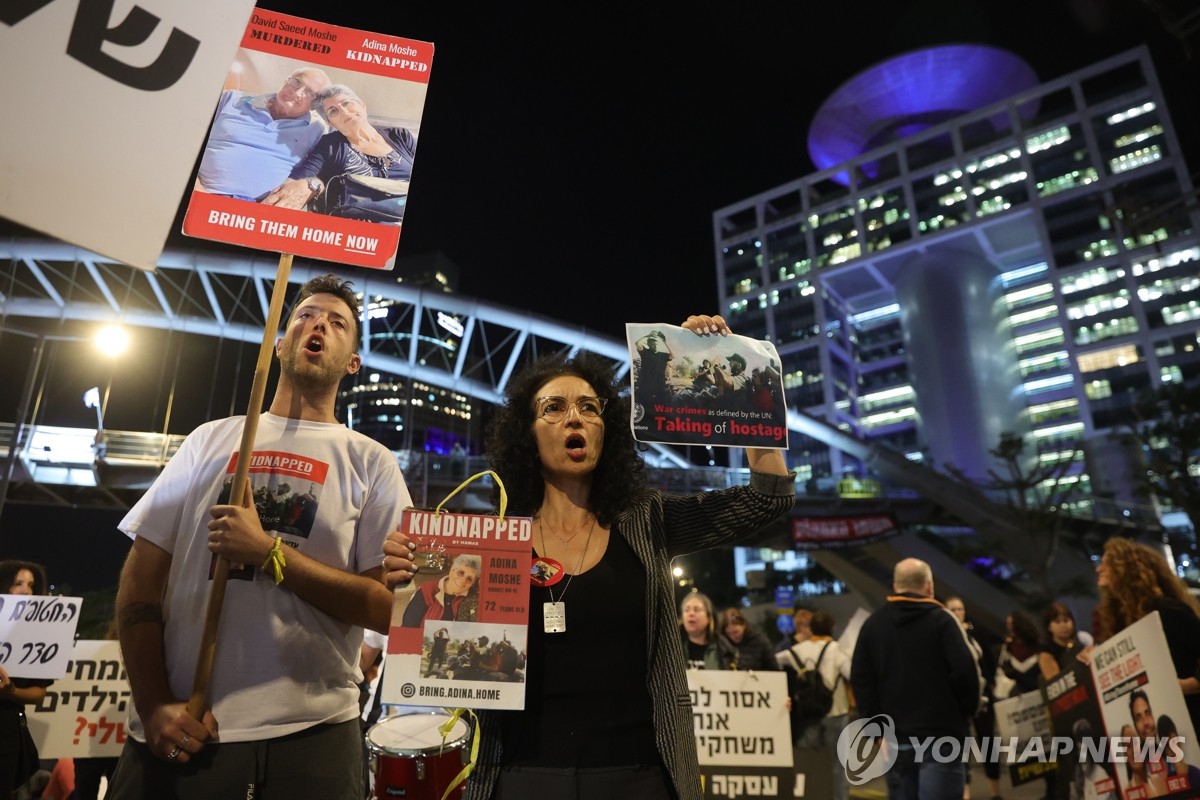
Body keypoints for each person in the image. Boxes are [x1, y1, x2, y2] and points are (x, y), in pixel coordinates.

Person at [381, 312, 794, 799]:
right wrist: (410, 577)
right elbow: (434, 648)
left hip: (639, 777)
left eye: (589, 408)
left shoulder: (647, 519)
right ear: (527, 435)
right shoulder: (487, 542)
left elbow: (767, 498)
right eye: (553, 408)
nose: (573, 417)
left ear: (608, 430)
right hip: (519, 778)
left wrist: (736, 373)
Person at [106, 274, 412, 800]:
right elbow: (140, 582)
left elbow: (391, 612)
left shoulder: (371, 461)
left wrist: (269, 552)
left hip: (313, 736)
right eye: (305, 315)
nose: (318, 324)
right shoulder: (209, 441)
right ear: (280, 339)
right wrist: (154, 703)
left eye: (337, 323)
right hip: (188, 728)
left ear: (353, 363)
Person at [851, 558, 983, 800]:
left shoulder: (873, 625)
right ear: (929, 587)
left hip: (896, 741)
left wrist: (876, 730)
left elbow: (861, 679)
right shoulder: (943, 621)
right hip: (942, 737)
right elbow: (966, 671)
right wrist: (966, 712)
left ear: (895, 585)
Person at [261, 84, 417, 224]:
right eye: (333, 111)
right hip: (363, 230)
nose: (344, 111)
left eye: (347, 103)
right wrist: (305, 185)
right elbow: (303, 176)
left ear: (362, 105)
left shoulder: (399, 135)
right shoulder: (331, 144)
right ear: (330, 123)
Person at [1093, 537, 1200, 730]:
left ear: (1124, 569)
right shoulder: (1120, 621)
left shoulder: (1167, 610)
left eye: (1105, 564)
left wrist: (1190, 685)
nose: (1098, 569)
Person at [195, 68, 331, 200]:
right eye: (297, 82)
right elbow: (185, 138)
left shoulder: (317, 129)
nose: (297, 92)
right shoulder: (230, 99)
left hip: (261, 208)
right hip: (202, 192)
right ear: (285, 81)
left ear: (315, 105)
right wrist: (193, 185)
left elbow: (329, 172)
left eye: (310, 93)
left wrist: (312, 185)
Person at [778, 609, 851, 800]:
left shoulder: (796, 650)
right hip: (836, 712)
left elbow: (773, 662)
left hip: (808, 715)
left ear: (811, 628)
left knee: (808, 763)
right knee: (837, 766)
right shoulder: (836, 648)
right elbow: (851, 673)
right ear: (831, 627)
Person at [0, 560, 53, 800]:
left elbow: (39, 693)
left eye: (31, 585)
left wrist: (10, 691)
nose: (26, 590)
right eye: (17, 583)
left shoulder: (37, 638)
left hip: (7, 732)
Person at [945, 595, 1001, 800]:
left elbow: (990, 658)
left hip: (982, 695)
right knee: (961, 745)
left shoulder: (976, 632)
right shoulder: (944, 635)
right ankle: (965, 792)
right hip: (957, 699)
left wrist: (991, 681)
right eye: (952, 609)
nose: (957, 613)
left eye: (959, 609)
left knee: (987, 741)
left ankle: (995, 790)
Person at [400, 553, 482, 627]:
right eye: (460, 573)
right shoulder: (428, 590)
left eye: (469, 579)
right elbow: (408, 626)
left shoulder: (473, 599)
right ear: (452, 570)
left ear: (473, 583)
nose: (463, 581)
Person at [679, 591, 738, 670]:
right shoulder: (671, 648)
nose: (691, 613)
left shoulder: (725, 650)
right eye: (686, 610)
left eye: (696, 610)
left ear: (709, 618)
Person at [720, 608, 779, 672]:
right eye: (728, 634)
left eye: (736, 632)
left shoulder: (760, 641)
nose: (732, 637)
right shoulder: (724, 644)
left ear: (744, 625)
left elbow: (773, 668)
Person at [633, 329, 675, 406]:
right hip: (645, 384)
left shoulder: (663, 355)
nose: (655, 345)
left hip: (659, 384)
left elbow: (673, 355)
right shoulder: (645, 352)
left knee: (660, 406)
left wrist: (665, 342)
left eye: (656, 343)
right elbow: (638, 343)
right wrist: (649, 335)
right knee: (643, 406)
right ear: (648, 345)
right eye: (652, 344)